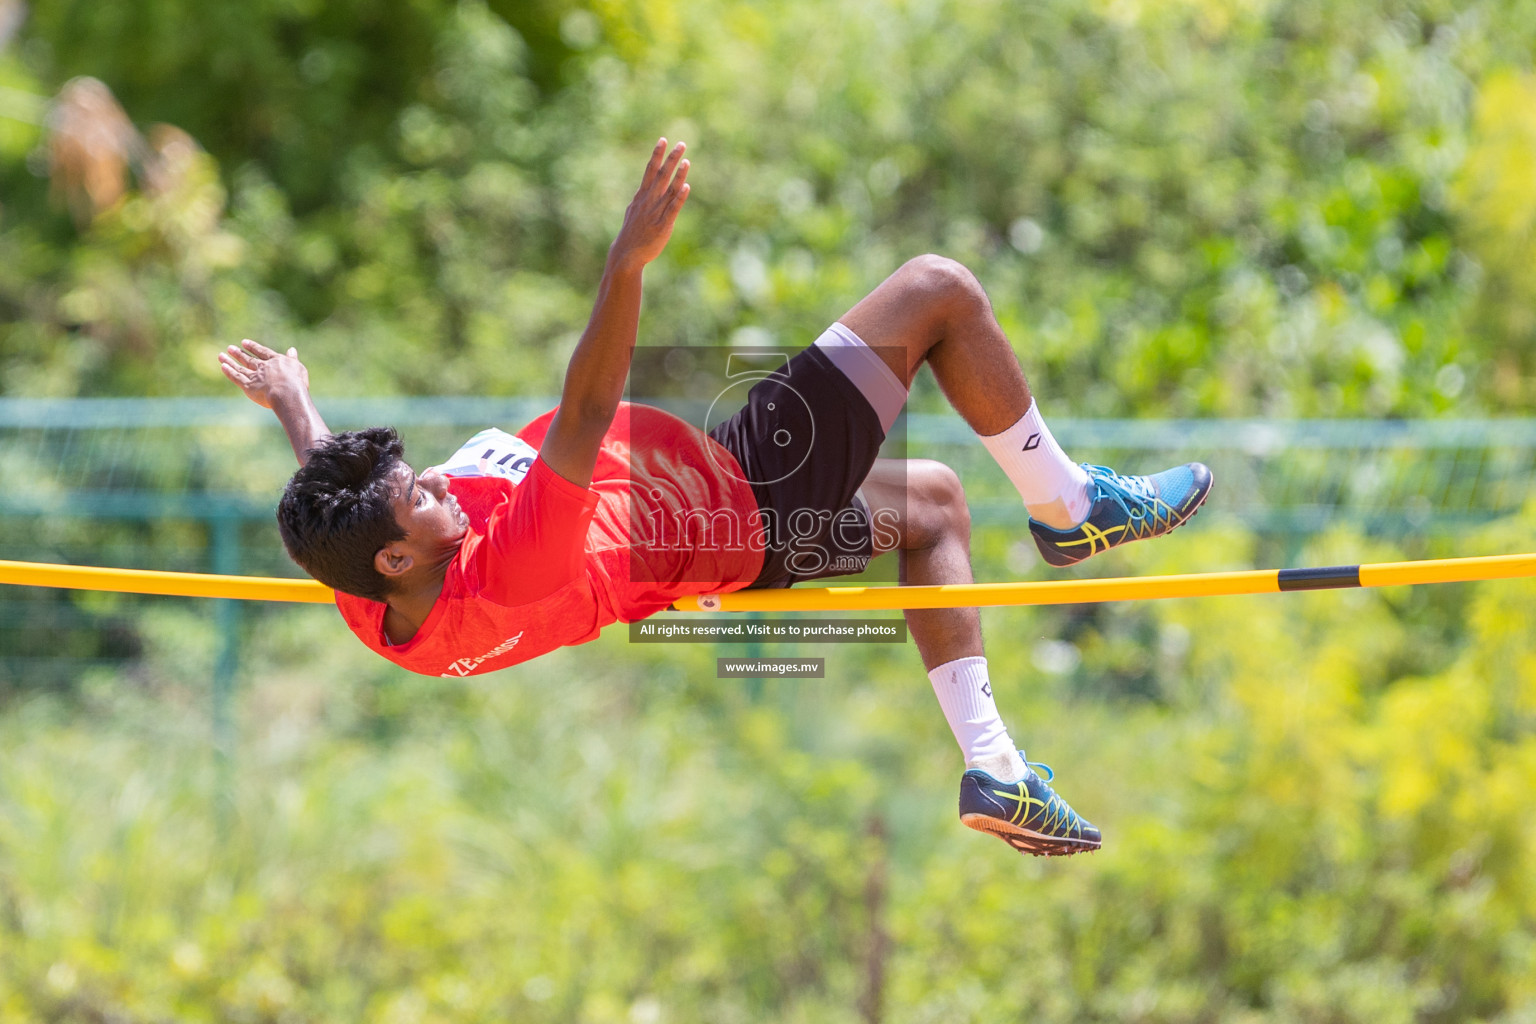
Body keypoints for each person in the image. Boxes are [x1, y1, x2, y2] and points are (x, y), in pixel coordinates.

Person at [219, 138, 1212, 857]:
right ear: (405, 554)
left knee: (938, 506)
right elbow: (586, 406)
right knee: (937, 289)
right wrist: (626, 264)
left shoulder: (373, 593)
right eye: (421, 501)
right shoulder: (509, 564)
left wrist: (297, 406)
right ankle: (1074, 506)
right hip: (744, 496)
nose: (437, 484)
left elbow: (332, 509)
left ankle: (995, 768)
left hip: (713, 533)